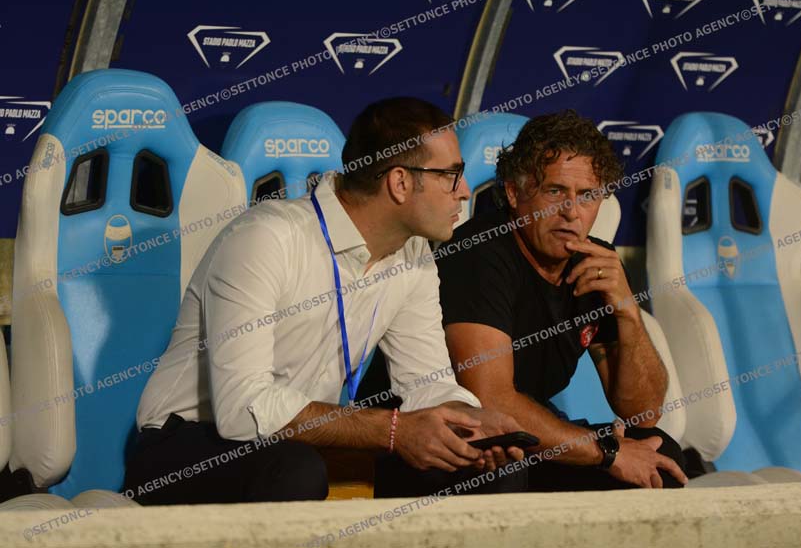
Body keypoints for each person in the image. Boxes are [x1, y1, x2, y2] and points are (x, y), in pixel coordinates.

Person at [123, 98, 526, 505]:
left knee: (488, 469)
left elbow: (427, 382)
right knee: (294, 469)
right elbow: (242, 409)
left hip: (307, 442)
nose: (464, 192)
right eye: (451, 175)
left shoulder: (413, 252)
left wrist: (470, 425)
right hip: (186, 443)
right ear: (400, 182)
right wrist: (393, 430)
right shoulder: (267, 237)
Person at [436, 110, 689, 491]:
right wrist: (607, 452)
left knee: (660, 457)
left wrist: (628, 312)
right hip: (447, 439)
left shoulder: (598, 264)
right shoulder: (478, 253)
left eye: (586, 196)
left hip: (525, 441)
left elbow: (643, 412)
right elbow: (490, 401)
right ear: (514, 193)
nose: (571, 212)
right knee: (504, 461)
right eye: (555, 192)